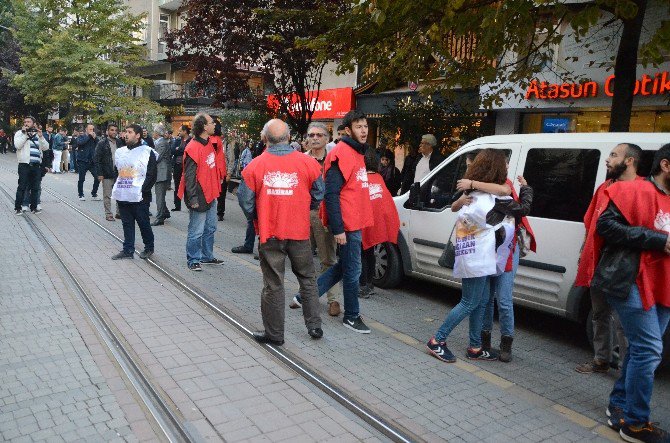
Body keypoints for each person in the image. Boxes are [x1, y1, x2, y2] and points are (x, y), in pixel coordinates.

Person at [591, 144, 670, 442]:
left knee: (640, 350)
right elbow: (605, 225)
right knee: (649, 350)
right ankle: (636, 424)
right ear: (666, 165)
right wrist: (655, 239)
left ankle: (619, 406)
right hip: (631, 282)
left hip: (664, 284)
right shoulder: (634, 190)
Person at [427, 149, 532, 362]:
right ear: (496, 168)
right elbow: (521, 206)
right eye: (505, 164)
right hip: (478, 257)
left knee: (479, 302)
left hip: (475, 255)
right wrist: (527, 188)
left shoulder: (474, 194)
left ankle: (475, 346)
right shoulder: (495, 198)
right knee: (469, 302)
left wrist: (468, 190)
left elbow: (456, 206)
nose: (507, 168)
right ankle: (437, 340)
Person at [238, 119, 324, 345]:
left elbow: (245, 201)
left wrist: (258, 216)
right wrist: (303, 207)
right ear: (289, 138)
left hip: (270, 233)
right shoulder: (308, 163)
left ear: (265, 139)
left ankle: (274, 335)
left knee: (273, 284)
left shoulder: (254, 166)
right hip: (300, 232)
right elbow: (318, 193)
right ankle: (314, 326)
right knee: (307, 279)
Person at [290, 110, 374, 333]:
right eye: (359, 126)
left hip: (354, 221)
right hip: (347, 224)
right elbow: (331, 194)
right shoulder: (342, 154)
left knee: (344, 266)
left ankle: (304, 296)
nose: (364, 130)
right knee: (352, 270)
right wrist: (338, 228)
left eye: (365, 126)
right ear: (348, 130)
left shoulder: (356, 152)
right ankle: (352, 316)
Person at [573, 144, 644, 375]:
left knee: (624, 321)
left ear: (630, 161)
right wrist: (584, 252)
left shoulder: (643, 190)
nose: (608, 160)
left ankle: (625, 371)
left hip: (625, 267)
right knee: (600, 313)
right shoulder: (604, 187)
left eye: (614, 155)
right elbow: (590, 223)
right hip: (599, 262)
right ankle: (601, 360)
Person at [455, 165, 536, 362]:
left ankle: (506, 344)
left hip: (507, 250)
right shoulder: (479, 190)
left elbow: (513, 200)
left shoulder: (503, 188)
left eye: (506, 165)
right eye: (503, 165)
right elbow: (456, 207)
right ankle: (485, 341)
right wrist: (461, 198)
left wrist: (525, 188)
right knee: (485, 299)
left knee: (504, 300)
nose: (505, 169)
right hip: (487, 249)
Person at [177, 113, 225, 271]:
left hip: (211, 194)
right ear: (204, 126)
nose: (214, 125)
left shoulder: (209, 143)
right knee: (196, 230)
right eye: (212, 123)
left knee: (210, 227)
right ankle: (193, 260)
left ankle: (207, 256)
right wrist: (192, 199)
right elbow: (189, 176)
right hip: (199, 195)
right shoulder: (193, 147)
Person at [303, 122, 341, 316]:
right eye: (311, 135)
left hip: (324, 214)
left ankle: (333, 300)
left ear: (327, 138)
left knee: (328, 259)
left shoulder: (334, 160)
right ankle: (306, 296)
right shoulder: (300, 160)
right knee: (303, 259)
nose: (315, 138)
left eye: (319, 135)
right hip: (303, 214)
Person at [111, 124, 157, 260]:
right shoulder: (120, 152)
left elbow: (151, 174)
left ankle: (149, 247)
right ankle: (128, 250)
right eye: (126, 132)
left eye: (130, 132)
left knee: (143, 223)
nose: (126, 134)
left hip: (140, 196)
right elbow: (117, 171)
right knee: (127, 223)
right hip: (124, 194)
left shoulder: (147, 152)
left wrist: (141, 190)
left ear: (137, 135)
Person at [359, 149, 400, 298]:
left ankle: (362, 285)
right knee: (370, 253)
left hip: (363, 221)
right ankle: (369, 284)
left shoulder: (361, 179)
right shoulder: (378, 177)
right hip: (375, 221)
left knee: (362, 254)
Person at [232, 138, 262, 254]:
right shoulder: (260, 149)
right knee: (252, 219)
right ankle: (250, 245)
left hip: (265, 193)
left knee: (259, 220)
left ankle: (263, 249)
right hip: (256, 191)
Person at [14, 116, 49, 215]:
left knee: (35, 187)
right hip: (24, 165)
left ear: (33, 123)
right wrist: (25, 135)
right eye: (25, 122)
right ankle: (18, 208)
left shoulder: (38, 135)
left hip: (36, 165)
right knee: (22, 187)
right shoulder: (19, 133)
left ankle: (34, 207)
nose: (26, 123)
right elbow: (17, 145)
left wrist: (41, 137)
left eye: (29, 122)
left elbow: (46, 147)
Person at [94, 124, 121, 221]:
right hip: (106, 172)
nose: (114, 132)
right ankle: (109, 214)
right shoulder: (102, 143)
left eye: (115, 130)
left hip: (118, 173)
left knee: (119, 194)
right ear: (107, 131)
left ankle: (119, 213)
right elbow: (97, 159)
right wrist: (100, 173)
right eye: (112, 130)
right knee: (107, 195)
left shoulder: (119, 142)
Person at [151, 124, 172, 226]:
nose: (152, 133)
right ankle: (165, 212)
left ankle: (160, 217)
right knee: (160, 195)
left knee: (159, 196)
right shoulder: (159, 142)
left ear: (157, 133)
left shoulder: (162, 143)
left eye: (153, 131)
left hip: (162, 173)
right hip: (160, 172)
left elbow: (157, 158)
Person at [76, 124, 101, 201]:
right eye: (90, 129)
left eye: (93, 129)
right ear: (86, 130)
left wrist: (95, 138)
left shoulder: (94, 138)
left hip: (92, 161)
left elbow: (99, 144)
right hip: (82, 161)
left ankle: (94, 193)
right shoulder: (81, 137)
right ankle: (81, 194)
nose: (92, 131)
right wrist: (89, 136)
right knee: (81, 178)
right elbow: (81, 143)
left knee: (97, 178)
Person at [212, 121, 229, 221]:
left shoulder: (214, 140)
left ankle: (219, 212)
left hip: (218, 170)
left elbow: (230, 158)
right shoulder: (217, 140)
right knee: (220, 194)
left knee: (220, 194)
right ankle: (219, 212)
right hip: (220, 169)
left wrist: (229, 172)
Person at [172, 125, 190, 211]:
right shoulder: (178, 140)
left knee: (187, 187)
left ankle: (189, 205)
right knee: (177, 186)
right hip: (177, 166)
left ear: (185, 131)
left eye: (180, 131)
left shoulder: (191, 140)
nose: (178, 133)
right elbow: (172, 150)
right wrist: (179, 150)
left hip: (186, 167)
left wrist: (178, 150)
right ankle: (177, 206)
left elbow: (187, 151)